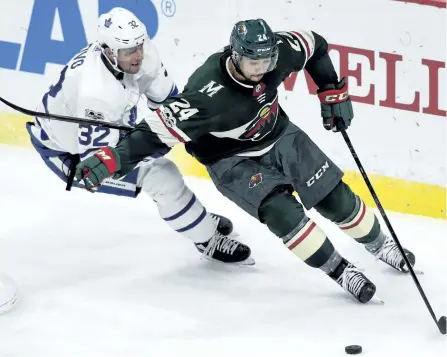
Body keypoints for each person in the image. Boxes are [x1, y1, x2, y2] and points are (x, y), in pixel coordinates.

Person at [74, 19, 417, 303]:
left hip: (279, 134)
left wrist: (331, 89)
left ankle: (380, 244)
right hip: (230, 159)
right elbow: (152, 134)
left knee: (336, 198)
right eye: (255, 63)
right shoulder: (207, 93)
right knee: (283, 213)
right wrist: (111, 158)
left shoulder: (276, 54)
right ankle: (341, 270)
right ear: (235, 56)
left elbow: (315, 44)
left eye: (267, 62)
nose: (263, 70)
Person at [26, 8, 254, 266]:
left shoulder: (144, 55)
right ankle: (207, 239)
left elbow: (171, 106)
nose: (137, 55)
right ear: (109, 51)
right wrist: (155, 145)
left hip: (107, 132)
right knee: (161, 175)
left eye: (138, 46)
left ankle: (193, 216)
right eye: (128, 50)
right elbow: (102, 164)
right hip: (71, 157)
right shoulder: (96, 92)